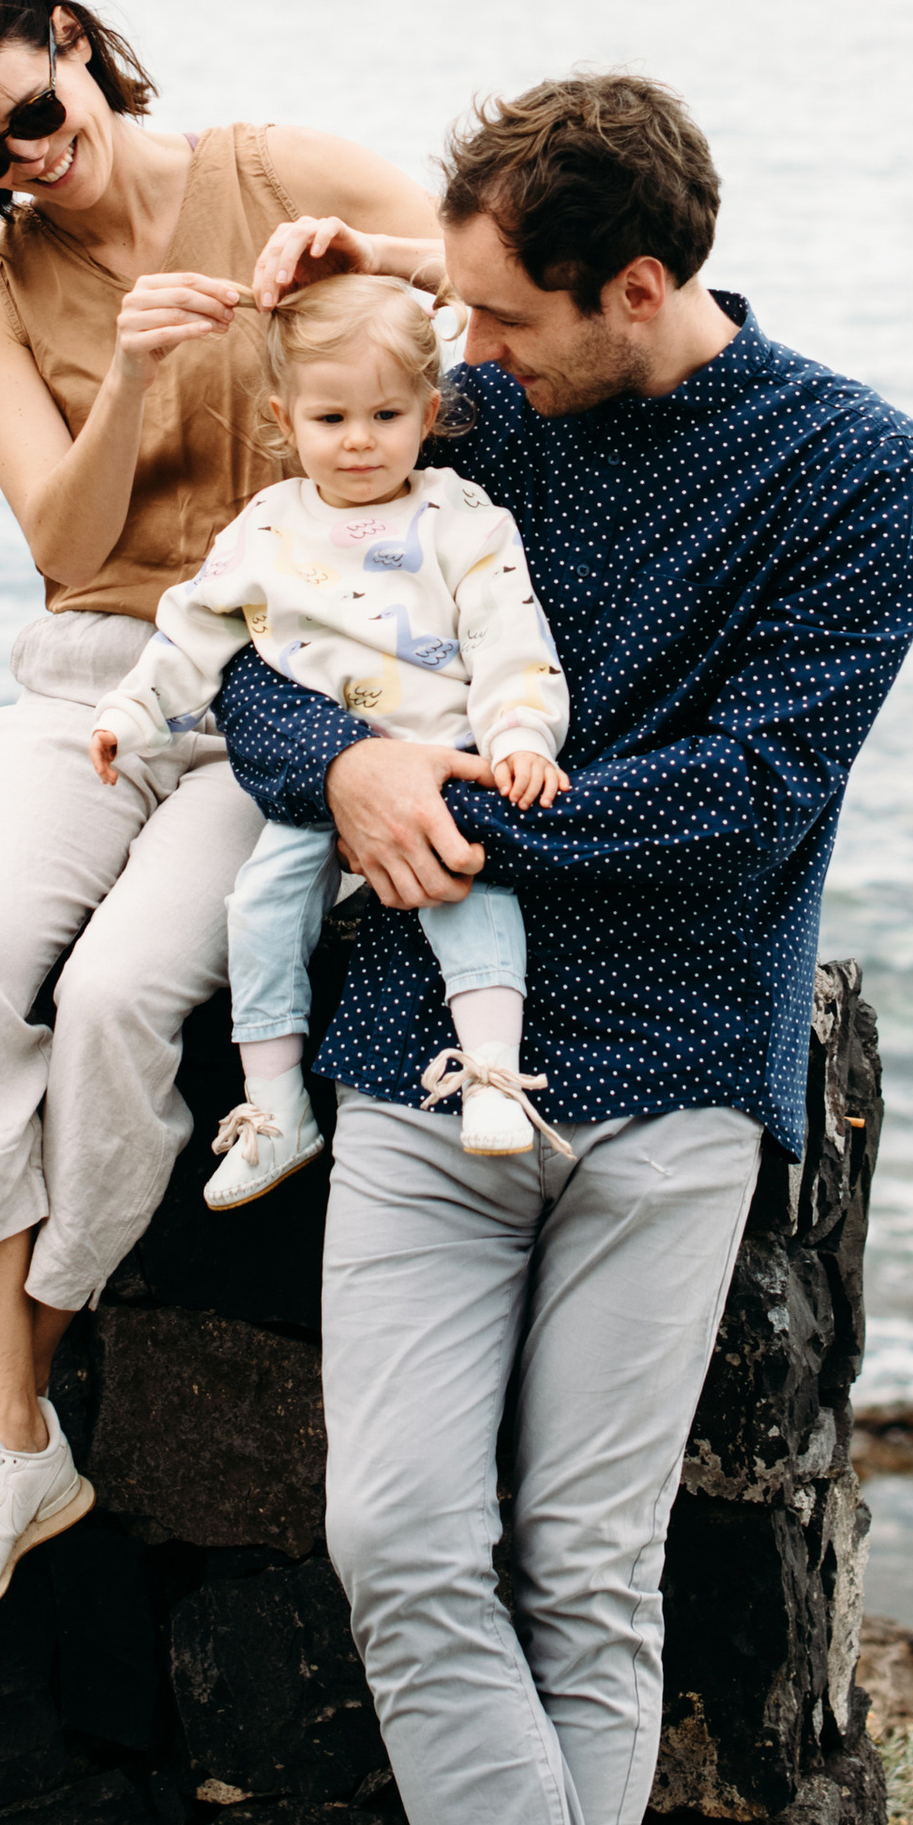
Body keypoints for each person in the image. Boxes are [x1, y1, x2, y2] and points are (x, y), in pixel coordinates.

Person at [212, 74, 913, 1825]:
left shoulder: (853, 475)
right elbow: (258, 655)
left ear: (641, 288)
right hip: (412, 1068)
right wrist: (344, 761)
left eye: (503, 320)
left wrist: (458, 819)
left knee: (583, 1577)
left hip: (675, 1087)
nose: (462, 364)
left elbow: (748, 799)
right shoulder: (483, 423)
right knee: (397, 1537)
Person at [0, 0, 442, 1636]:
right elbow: (61, 536)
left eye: (32, 114)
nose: (24, 165)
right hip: (96, 675)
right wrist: (142, 383)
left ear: (80, 41)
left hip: (292, 691)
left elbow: (490, 280)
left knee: (117, 1006)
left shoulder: (269, 166)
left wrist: (369, 251)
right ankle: (18, 1430)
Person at [89, 271, 572, 1211]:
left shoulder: (461, 517)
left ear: (429, 413)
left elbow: (512, 640)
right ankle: (275, 1110)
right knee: (259, 907)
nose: (359, 440)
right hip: (322, 783)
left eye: (386, 415)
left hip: (446, 763)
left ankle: (492, 1074)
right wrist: (128, 717)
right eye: (331, 418)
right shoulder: (268, 526)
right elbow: (193, 633)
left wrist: (522, 736)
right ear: (284, 417)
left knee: (467, 884)